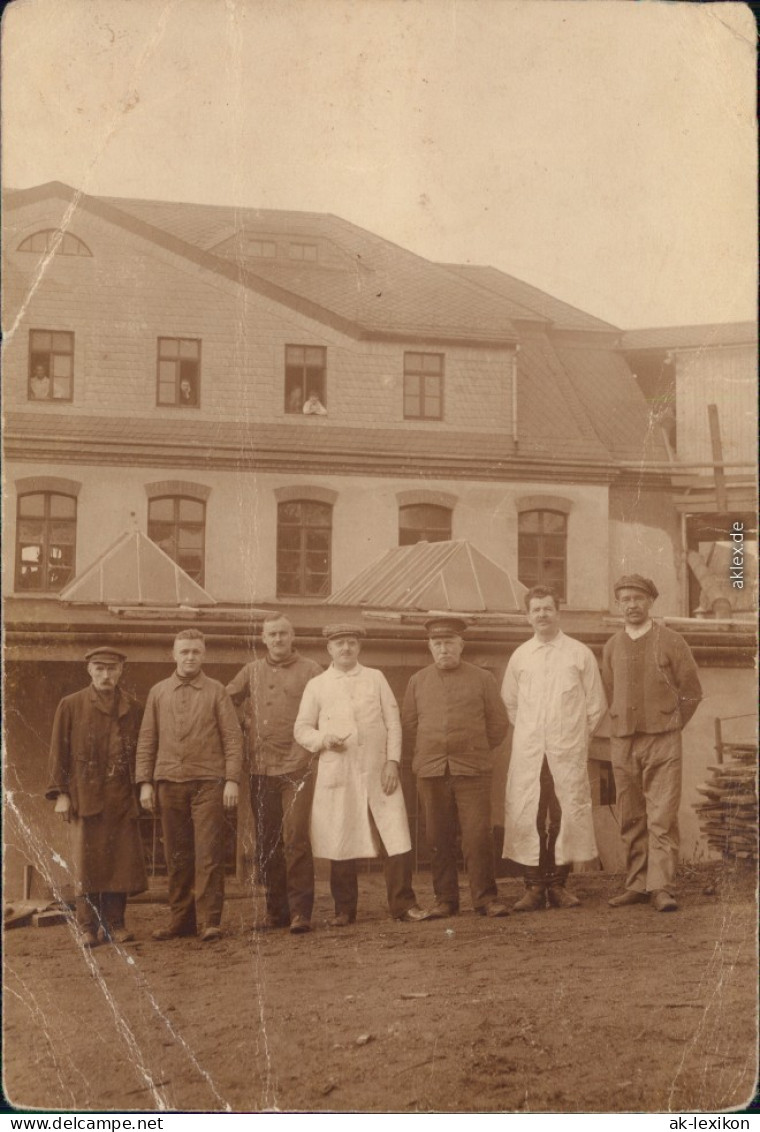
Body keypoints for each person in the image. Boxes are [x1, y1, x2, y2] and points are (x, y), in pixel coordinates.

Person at [294, 624, 427, 925]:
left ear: (359, 648)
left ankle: (403, 905)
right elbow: (301, 728)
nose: (346, 648)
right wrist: (323, 739)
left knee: (395, 834)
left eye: (351, 643)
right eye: (339, 643)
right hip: (339, 771)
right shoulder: (318, 685)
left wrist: (392, 761)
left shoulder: (375, 678)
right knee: (341, 834)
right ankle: (344, 910)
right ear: (329, 648)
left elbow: (394, 723)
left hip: (379, 770)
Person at [501, 586, 607, 911]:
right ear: (528, 616)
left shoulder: (579, 653)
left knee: (564, 812)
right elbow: (511, 703)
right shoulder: (520, 656)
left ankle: (559, 885)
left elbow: (596, 705)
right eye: (536, 610)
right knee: (530, 812)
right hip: (531, 752)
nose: (542, 615)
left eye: (548, 608)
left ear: (558, 612)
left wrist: (574, 738)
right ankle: (533, 888)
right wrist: (535, 735)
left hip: (567, 751)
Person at [602, 575, 703, 912]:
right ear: (618, 604)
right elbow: (609, 691)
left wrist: (670, 724)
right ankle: (636, 884)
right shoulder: (612, 646)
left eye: (638, 599)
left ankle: (661, 887)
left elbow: (692, 692)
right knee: (631, 814)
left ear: (651, 602)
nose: (632, 605)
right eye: (625, 599)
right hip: (624, 741)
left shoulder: (672, 641)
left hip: (663, 741)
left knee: (661, 814)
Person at [136, 629, 243, 942]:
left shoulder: (216, 691)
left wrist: (232, 780)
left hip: (209, 783)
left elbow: (233, 738)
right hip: (169, 784)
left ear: (204, 655)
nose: (190, 657)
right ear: (174, 654)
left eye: (196, 651)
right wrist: (145, 782)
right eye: (184, 652)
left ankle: (210, 921)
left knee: (209, 854)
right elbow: (147, 739)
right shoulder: (158, 692)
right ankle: (180, 920)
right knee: (177, 855)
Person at [401, 616, 510, 919]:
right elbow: (409, 725)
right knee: (437, 837)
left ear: (461, 645)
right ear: (430, 647)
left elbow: (498, 724)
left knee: (477, 836)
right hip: (431, 771)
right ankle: (445, 900)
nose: (444, 648)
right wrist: (429, 753)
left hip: (472, 770)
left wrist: (474, 749)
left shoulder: (482, 679)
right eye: (437, 643)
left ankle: (485, 899)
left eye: (449, 642)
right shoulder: (417, 681)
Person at [226, 614, 322, 934]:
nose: (278, 639)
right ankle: (276, 910)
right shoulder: (251, 671)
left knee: (295, 837)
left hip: (298, 765)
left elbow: (330, 707)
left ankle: (300, 912)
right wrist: (244, 721)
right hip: (260, 767)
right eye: (272, 635)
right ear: (264, 639)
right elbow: (225, 701)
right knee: (268, 840)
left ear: (292, 636)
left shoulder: (311, 670)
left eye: (283, 633)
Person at [46, 647, 147, 947]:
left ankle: (115, 924)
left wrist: (142, 787)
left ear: (120, 672)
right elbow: (58, 752)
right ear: (89, 670)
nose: (106, 675)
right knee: (87, 863)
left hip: (121, 796)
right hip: (84, 796)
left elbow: (142, 752)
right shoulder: (71, 705)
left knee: (120, 862)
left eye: (112, 669)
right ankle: (87, 927)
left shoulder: (132, 707)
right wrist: (61, 794)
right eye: (99, 669)